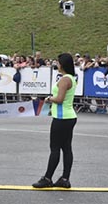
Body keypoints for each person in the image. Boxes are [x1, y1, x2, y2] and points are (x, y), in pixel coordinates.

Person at [33, 53, 77, 189]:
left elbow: (59, 99)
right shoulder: (70, 78)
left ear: (62, 64)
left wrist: (48, 99)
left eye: (58, 63)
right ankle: (65, 178)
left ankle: (47, 178)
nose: (56, 65)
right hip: (68, 116)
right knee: (66, 148)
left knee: (55, 148)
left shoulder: (65, 80)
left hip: (62, 117)